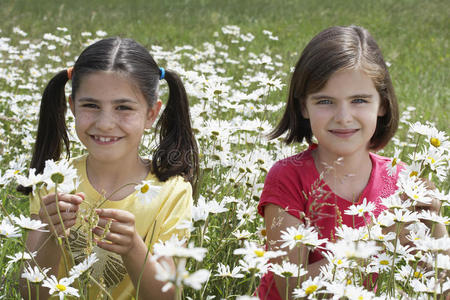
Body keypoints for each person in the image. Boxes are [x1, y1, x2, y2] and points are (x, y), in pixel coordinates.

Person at [256, 25, 446, 299]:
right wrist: (376, 244)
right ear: (303, 107)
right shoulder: (289, 177)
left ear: (382, 104)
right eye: (325, 101)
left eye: (359, 100)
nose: (343, 117)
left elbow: (441, 286)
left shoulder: (402, 182)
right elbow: (289, 287)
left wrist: (434, 219)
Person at [19, 37, 199, 299]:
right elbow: (31, 294)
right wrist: (50, 232)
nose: (105, 123)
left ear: (151, 114)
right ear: (72, 106)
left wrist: (133, 249)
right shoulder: (52, 183)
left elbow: (166, 296)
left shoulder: (173, 192)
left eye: (123, 107)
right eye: (91, 106)